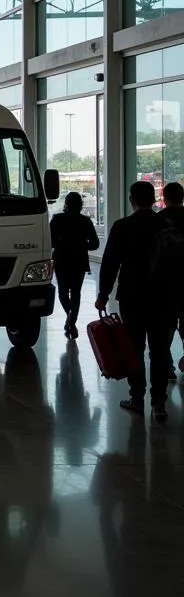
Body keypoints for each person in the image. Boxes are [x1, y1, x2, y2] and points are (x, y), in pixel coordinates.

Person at [96, 180, 171, 422]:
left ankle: (137, 399)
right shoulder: (165, 225)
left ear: (132, 200)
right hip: (163, 297)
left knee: (134, 348)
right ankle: (159, 402)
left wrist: (103, 295)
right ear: (153, 199)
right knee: (160, 350)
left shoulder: (122, 226)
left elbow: (109, 263)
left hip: (132, 296)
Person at [50, 191, 100, 340]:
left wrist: (62, 242)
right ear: (80, 205)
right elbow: (95, 244)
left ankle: (69, 315)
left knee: (63, 291)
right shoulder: (85, 221)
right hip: (79, 261)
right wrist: (83, 245)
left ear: (66, 203)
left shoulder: (57, 219)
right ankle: (72, 320)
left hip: (61, 260)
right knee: (76, 292)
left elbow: (50, 240)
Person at [159, 181, 184, 376]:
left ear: (163, 197)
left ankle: (167, 365)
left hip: (165, 283)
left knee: (166, 327)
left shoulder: (158, 220)